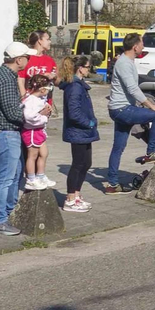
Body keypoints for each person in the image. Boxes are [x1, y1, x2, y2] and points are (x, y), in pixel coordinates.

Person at [103, 33, 155, 195]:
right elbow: (132, 88)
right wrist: (151, 106)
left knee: (118, 147)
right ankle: (151, 152)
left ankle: (112, 184)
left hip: (123, 108)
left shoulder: (128, 61)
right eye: (142, 43)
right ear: (135, 46)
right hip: (122, 109)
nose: (143, 46)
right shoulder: (124, 63)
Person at [0, 42, 32, 235]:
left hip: (7, 132)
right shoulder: (5, 78)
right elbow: (12, 112)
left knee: (13, 175)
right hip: (4, 132)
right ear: (18, 59)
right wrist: (32, 112)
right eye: (27, 57)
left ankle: (8, 213)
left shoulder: (7, 76)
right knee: (5, 178)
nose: (28, 60)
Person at [58, 56, 98, 213]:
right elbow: (74, 112)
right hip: (78, 130)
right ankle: (70, 198)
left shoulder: (79, 85)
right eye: (87, 67)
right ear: (80, 68)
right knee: (78, 164)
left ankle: (77, 195)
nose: (89, 70)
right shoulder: (74, 86)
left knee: (86, 163)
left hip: (84, 132)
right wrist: (88, 123)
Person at [21, 74, 54, 191]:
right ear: (42, 89)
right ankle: (31, 179)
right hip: (31, 131)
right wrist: (43, 116)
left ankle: (40, 176)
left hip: (39, 130)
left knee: (44, 153)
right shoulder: (30, 100)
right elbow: (29, 117)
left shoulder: (39, 99)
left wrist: (46, 112)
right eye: (49, 89)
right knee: (32, 155)